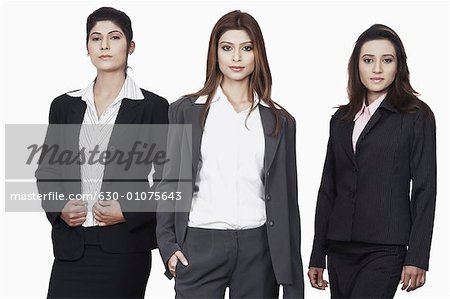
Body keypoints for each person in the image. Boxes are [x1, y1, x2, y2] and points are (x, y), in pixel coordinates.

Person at [156, 10, 304, 299]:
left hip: (259, 250)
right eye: (227, 48)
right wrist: (168, 245)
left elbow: (288, 201)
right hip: (199, 244)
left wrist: (293, 280)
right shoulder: (184, 111)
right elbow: (167, 183)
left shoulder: (280, 121)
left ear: (257, 53)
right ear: (215, 53)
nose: (236, 58)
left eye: (246, 48)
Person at [36, 7, 169, 298]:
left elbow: (169, 181)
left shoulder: (155, 108)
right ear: (87, 48)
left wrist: (127, 210)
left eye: (114, 37)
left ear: (130, 46)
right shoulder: (64, 106)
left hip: (124, 250)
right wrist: (59, 207)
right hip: (72, 248)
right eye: (96, 38)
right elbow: (47, 170)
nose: (105, 45)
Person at [308, 24, 437, 299]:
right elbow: (327, 189)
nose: (377, 69)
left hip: (385, 248)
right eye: (368, 60)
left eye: (386, 60)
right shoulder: (341, 120)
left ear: (398, 66)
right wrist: (318, 253)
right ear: (357, 66)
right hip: (340, 246)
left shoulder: (416, 116)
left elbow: (425, 189)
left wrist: (417, 255)